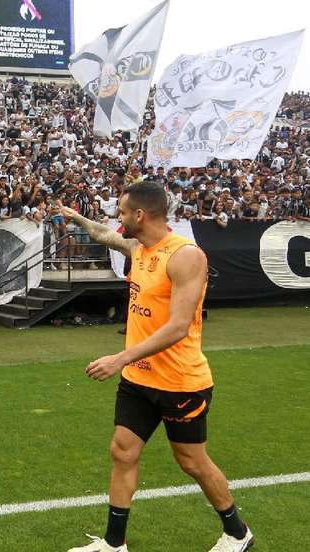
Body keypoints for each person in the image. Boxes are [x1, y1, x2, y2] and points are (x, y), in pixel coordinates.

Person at [61, 182, 252, 552]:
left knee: (192, 462)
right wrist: (77, 218)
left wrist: (119, 358)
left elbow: (179, 326)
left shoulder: (186, 256)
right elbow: (103, 234)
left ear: (140, 215)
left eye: (121, 211)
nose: (117, 217)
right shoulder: (138, 246)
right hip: (138, 379)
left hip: (180, 383)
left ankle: (238, 532)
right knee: (122, 451)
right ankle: (114, 544)